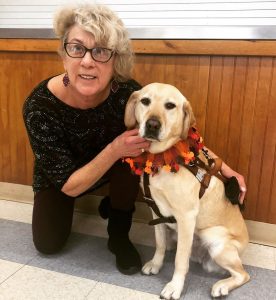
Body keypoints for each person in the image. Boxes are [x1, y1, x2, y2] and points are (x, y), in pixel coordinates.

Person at [22, 3, 246, 276]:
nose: (88, 61)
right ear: (64, 53)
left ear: (116, 60)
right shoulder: (39, 106)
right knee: (47, 244)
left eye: (101, 51)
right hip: (62, 179)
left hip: (115, 168)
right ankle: (104, 203)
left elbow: (175, 137)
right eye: (77, 48)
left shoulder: (130, 94)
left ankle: (118, 234)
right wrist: (115, 149)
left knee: (135, 153)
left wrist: (223, 167)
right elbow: (68, 185)